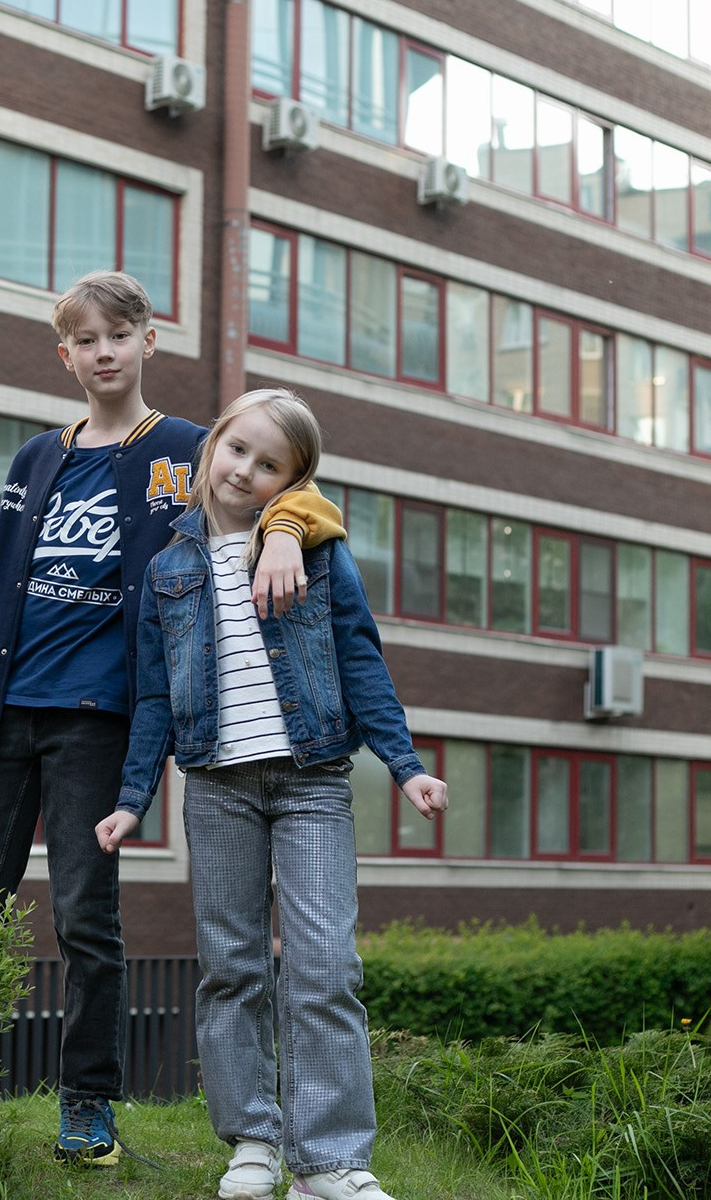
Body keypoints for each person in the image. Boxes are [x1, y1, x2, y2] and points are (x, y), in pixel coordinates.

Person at [0, 272, 343, 1167]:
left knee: (86, 918)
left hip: (99, 716)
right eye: (84, 340)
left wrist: (283, 531)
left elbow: (293, 482)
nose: (102, 352)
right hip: (1, 712)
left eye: (117, 335)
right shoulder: (34, 459)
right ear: (66, 355)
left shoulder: (191, 450)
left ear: (147, 341)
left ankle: (87, 1103)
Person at [96, 388, 448, 1200]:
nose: (245, 470)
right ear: (212, 444)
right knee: (231, 965)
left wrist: (406, 764)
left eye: (270, 465)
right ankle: (253, 1140)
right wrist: (131, 797)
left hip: (312, 780)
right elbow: (153, 697)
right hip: (215, 784)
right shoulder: (166, 568)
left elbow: (361, 657)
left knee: (325, 965)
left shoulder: (312, 548)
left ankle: (329, 1163)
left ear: (293, 481)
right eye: (237, 449)